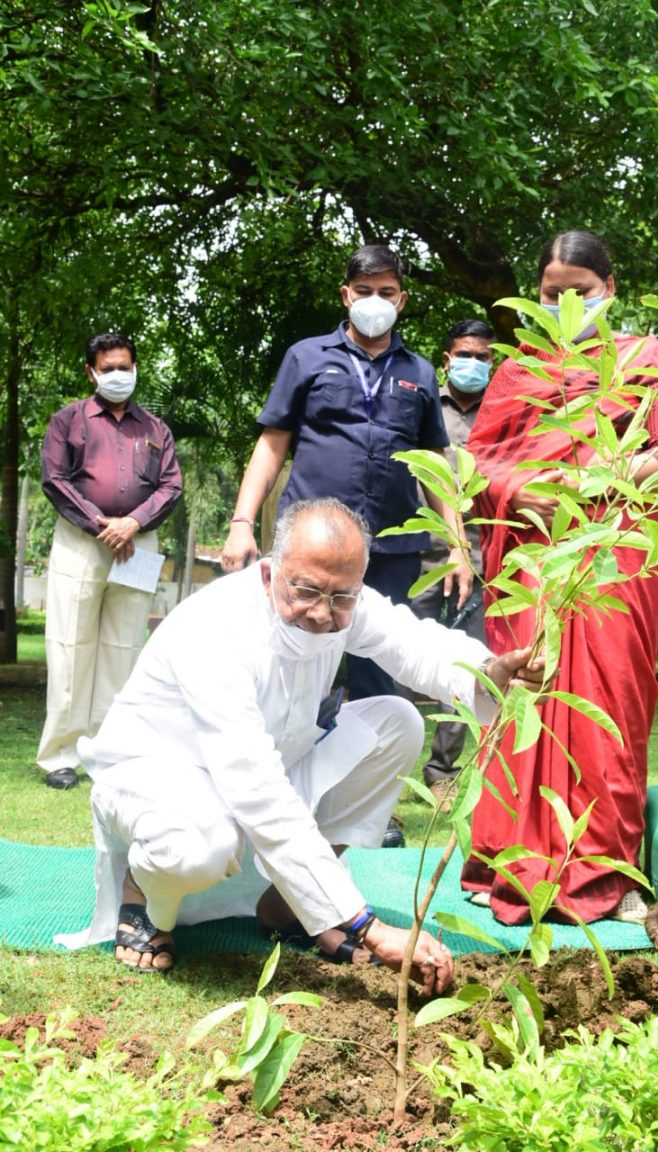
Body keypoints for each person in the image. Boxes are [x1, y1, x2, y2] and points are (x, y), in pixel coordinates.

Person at [66, 498, 541, 984]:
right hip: (162, 776)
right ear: (271, 572)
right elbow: (257, 789)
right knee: (196, 848)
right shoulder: (214, 629)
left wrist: (488, 674)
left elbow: (413, 643)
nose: (321, 614)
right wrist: (367, 926)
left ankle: (288, 907)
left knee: (397, 723)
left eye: (341, 598)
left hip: (265, 765)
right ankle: (143, 894)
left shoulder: (341, 602)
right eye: (307, 591)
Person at [460, 229, 658, 926]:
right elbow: (477, 466)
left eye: (581, 294)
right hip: (532, 566)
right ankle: (508, 856)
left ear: (610, 291)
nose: (566, 307)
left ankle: (605, 870)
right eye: (551, 295)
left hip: (612, 565)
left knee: (609, 713)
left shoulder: (649, 362)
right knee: (522, 700)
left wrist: (601, 480)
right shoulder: (517, 373)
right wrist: (517, 492)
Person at [221, 244, 472, 702]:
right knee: (290, 655)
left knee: (378, 672)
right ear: (345, 295)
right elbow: (272, 444)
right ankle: (279, 761)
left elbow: (435, 465)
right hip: (309, 545)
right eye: (364, 290)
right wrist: (241, 523)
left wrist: (457, 545)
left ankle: (365, 767)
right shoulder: (306, 357)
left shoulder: (419, 371)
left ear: (402, 299)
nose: (374, 300)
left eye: (386, 291)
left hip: (392, 546)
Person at [37, 332, 182, 790]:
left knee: (124, 649)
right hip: (83, 541)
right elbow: (55, 480)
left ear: (136, 367)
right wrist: (103, 524)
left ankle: (110, 751)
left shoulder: (155, 429)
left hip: (139, 543)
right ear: (92, 372)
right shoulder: (69, 420)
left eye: (126, 366)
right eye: (109, 368)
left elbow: (171, 486)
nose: (119, 375)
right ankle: (60, 755)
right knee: (70, 646)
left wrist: (133, 523)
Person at [407, 319, 495, 801]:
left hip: (479, 556)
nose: (473, 364)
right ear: (446, 358)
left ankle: (442, 770)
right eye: (465, 354)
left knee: (469, 665)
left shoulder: (500, 411)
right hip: (419, 551)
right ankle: (387, 763)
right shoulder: (422, 402)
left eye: (483, 357)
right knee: (401, 656)